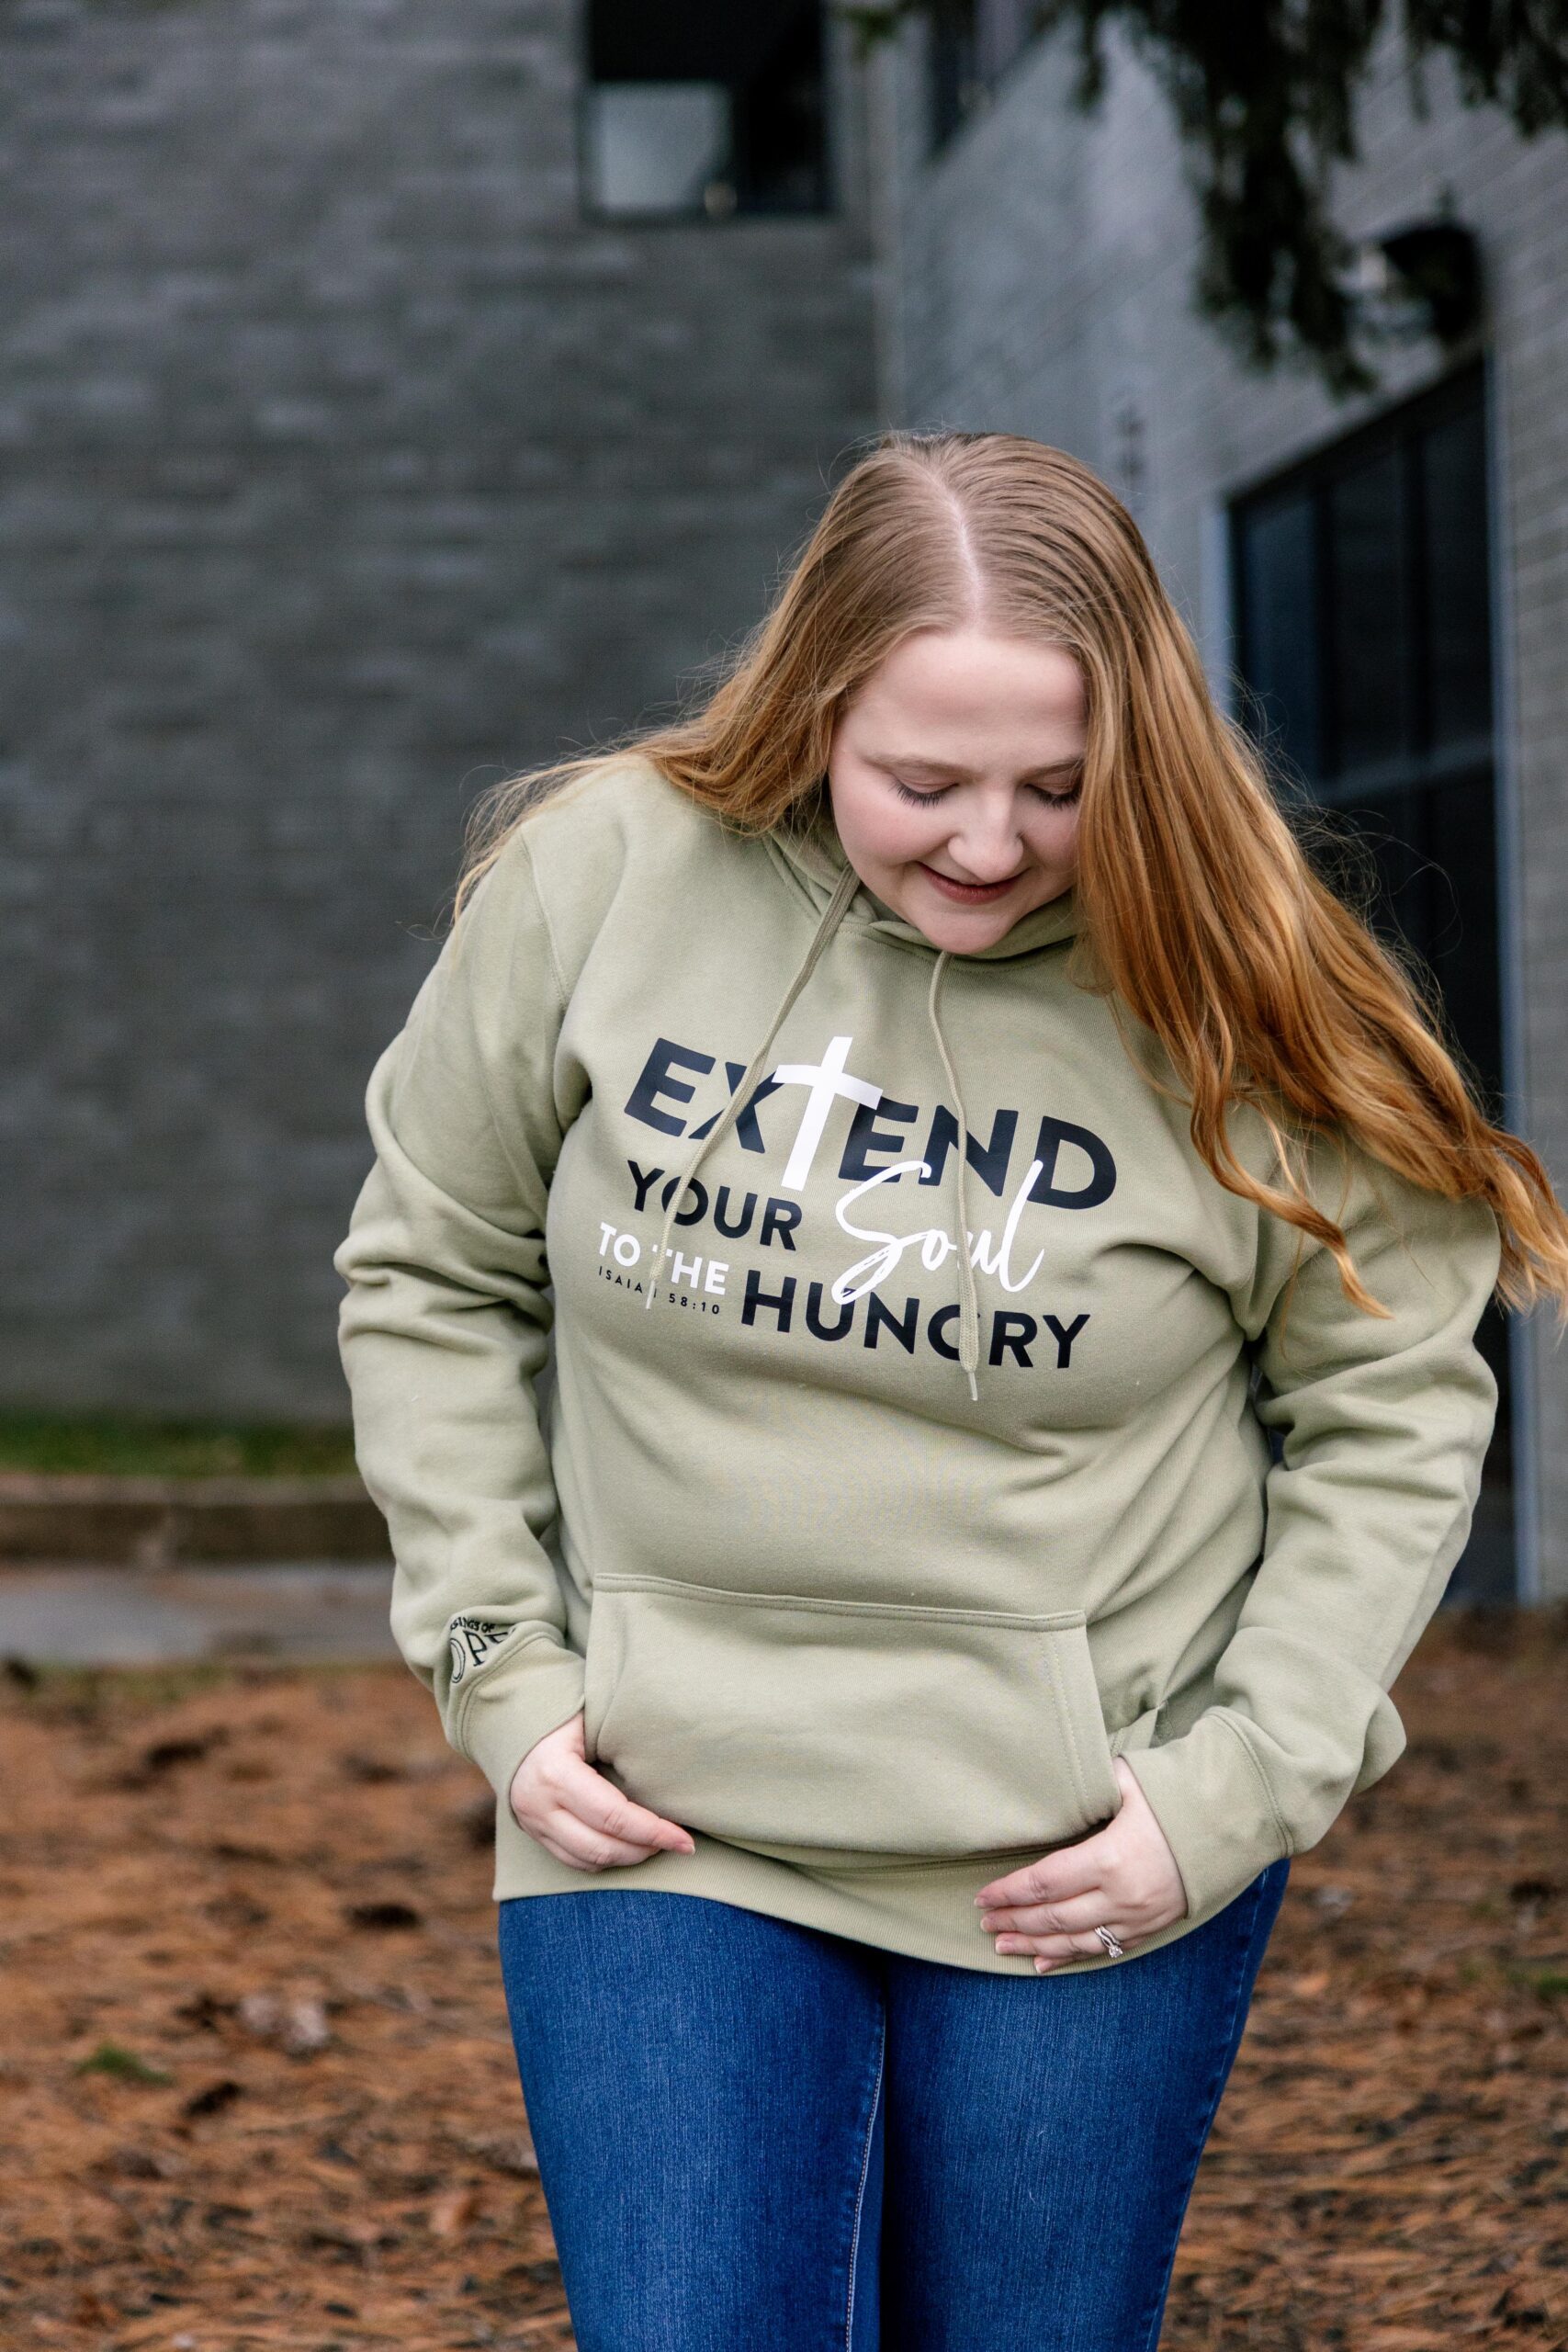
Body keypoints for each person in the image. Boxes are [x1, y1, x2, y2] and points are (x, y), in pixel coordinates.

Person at [332, 430, 1568, 2351]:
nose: (987, 844)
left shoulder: (1230, 976)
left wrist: (1231, 1782)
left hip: (1072, 1844)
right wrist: (500, 1658)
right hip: (661, 1809)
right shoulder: (606, 874)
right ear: (815, 701)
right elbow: (432, 1266)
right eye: (923, 780)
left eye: (1056, 788)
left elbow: (1391, 1401)